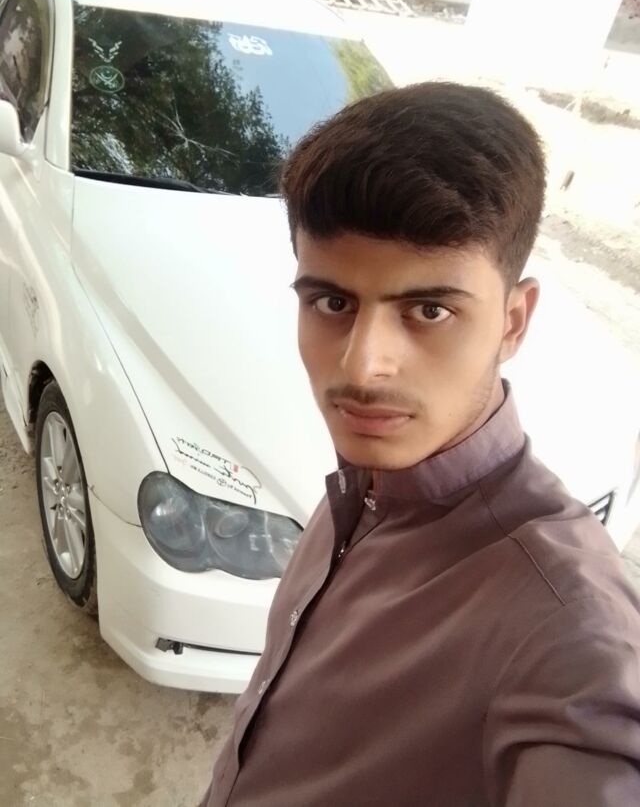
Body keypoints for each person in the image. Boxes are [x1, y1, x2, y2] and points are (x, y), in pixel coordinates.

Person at [201, 82, 640, 806]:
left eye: (429, 310)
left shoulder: (568, 629)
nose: (362, 366)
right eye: (332, 302)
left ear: (513, 320)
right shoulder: (364, 486)